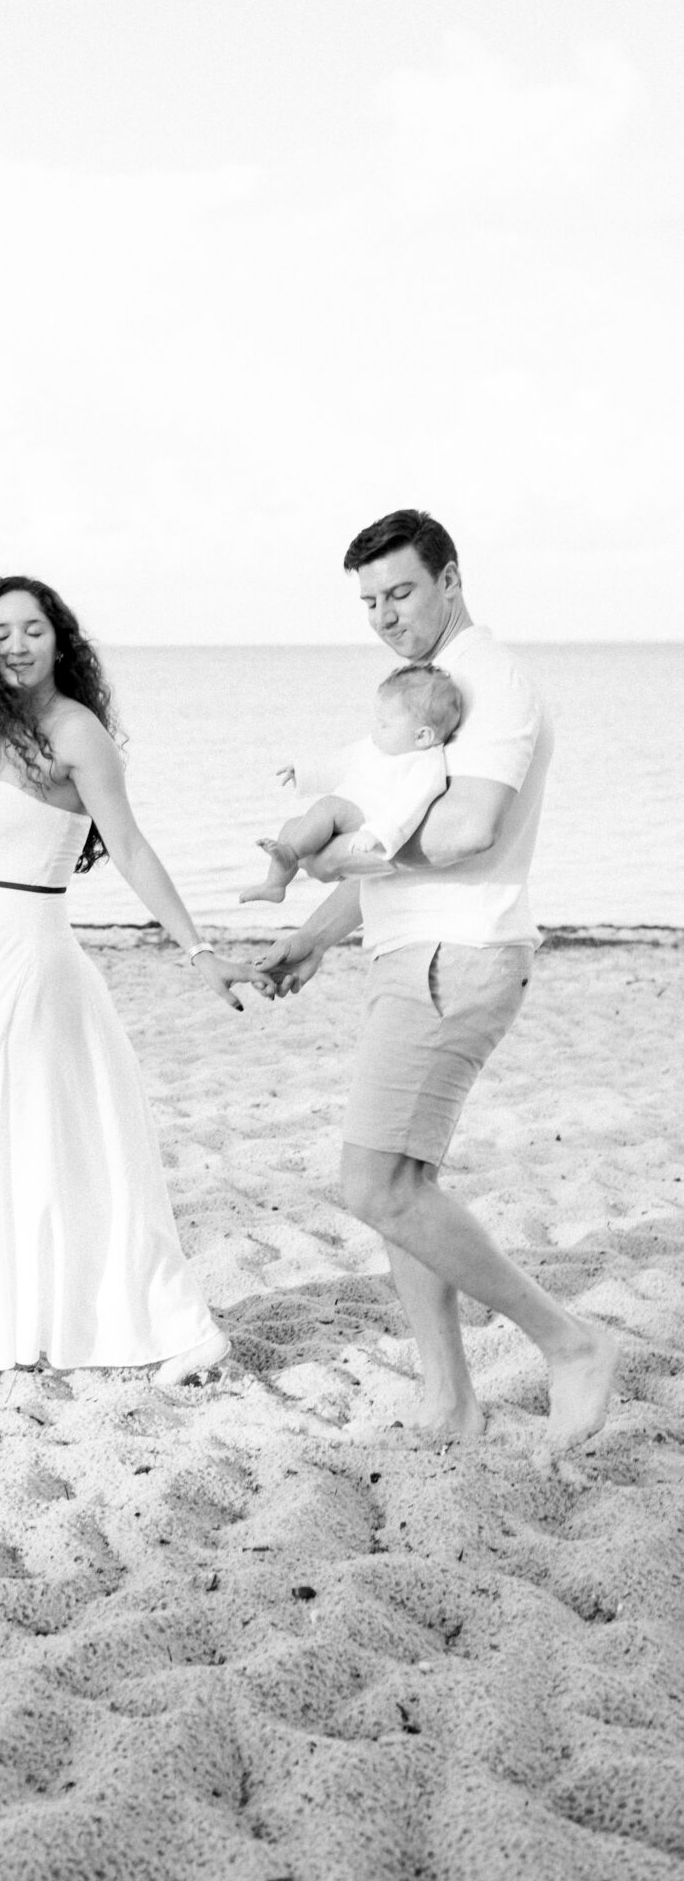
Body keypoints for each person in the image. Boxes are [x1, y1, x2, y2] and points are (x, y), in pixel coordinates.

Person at [258, 508, 619, 1448]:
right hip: (409, 953)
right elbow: (389, 837)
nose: (384, 613)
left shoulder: (488, 683)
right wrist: (316, 934)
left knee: (374, 1186)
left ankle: (568, 1341)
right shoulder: (430, 687)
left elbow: (465, 833)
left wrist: (338, 862)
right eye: (369, 599)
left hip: (453, 958)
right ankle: (448, 1401)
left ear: (450, 580)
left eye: (402, 591)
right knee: (405, 1181)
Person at [0, 572, 267, 1380]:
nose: (16, 644)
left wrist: (196, 951)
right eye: (1, 632)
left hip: (32, 956)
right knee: (16, 1143)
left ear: (59, 640)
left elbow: (130, 847)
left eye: (32, 629)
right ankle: (17, 1317)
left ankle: (160, 1327)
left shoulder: (75, 731)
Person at [239, 662, 463, 905]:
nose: (376, 730)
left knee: (328, 807)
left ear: (422, 736)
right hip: (353, 810)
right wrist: (305, 772)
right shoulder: (379, 746)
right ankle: (275, 885)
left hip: (372, 820)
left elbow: (411, 806)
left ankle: (290, 855)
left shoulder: (426, 764)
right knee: (292, 827)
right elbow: (342, 761)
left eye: (384, 725)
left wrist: (378, 833)